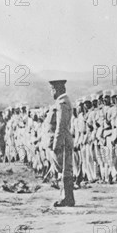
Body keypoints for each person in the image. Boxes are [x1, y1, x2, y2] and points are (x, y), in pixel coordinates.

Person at [48, 79, 75, 207]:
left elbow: (61, 125)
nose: (51, 92)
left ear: (57, 89)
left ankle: (67, 198)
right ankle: (66, 197)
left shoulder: (62, 103)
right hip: (62, 140)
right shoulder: (61, 102)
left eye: (52, 89)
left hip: (63, 141)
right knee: (63, 170)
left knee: (65, 170)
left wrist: (56, 144)